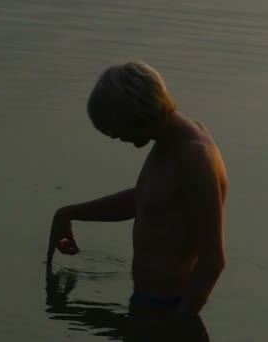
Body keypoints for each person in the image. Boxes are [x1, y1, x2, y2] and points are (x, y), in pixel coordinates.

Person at [46, 61, 228, 322]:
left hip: (171, 311)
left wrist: (177, 328)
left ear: (137, 115)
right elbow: (146, 198)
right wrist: (69, 213)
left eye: (117, 129)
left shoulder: (196, 156)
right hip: (145, 305)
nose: (118, 138)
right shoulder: (169, 141)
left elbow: (213, 260)